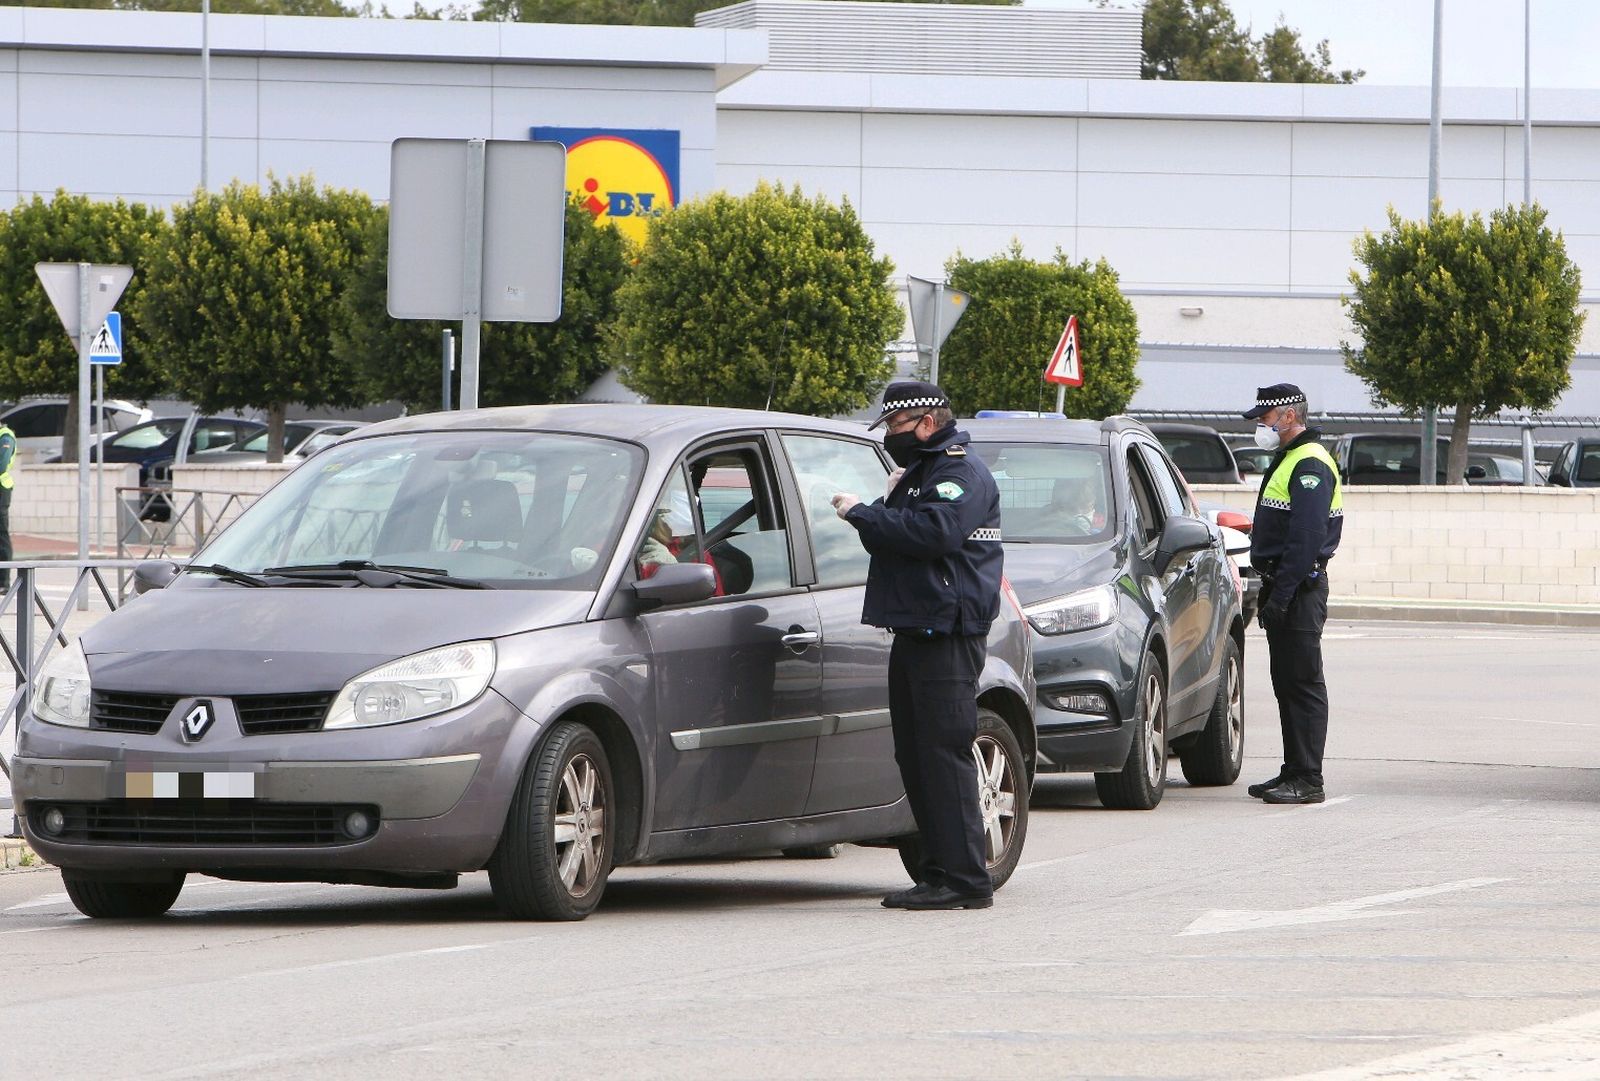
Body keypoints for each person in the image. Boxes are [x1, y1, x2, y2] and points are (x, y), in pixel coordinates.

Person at [831, 380, 1005, 911]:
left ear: (926, 423)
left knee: (942, 754)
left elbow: (935, 534)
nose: (890, 435)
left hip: (946, 634)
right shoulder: (921, 473)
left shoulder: (959, 471)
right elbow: (899, 537)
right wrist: (882, 508)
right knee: (916, 754)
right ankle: (935, 872)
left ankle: (966, 881)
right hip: (915, 628)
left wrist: (863, 511)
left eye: (895, 426)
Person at [1241, 383, 1343, 805]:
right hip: (1285, 586)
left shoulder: (1309, 464)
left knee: (1302, 684)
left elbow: (1305, 537)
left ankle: (1309, 778)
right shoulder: (1291, 458)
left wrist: (1281, 596)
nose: (1260, 426)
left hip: (1299, 588)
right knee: (1286, 683)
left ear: (1287, 416)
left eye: (1264, 418)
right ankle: (1293, 769)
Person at [0, 417, 14, 590]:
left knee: (1, 534)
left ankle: (4, 582)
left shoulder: (5, 437)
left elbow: (2, 465)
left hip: (1, 490)